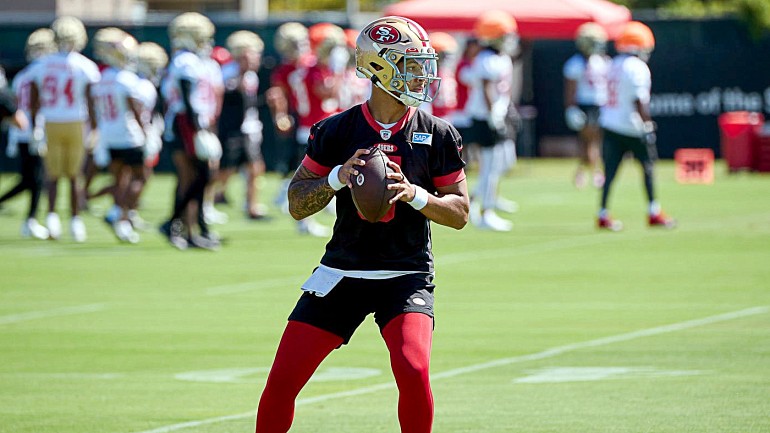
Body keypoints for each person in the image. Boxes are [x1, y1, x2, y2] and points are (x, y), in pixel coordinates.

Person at [254, 16, 469, 433]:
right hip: (342, 271)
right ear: (378, 67)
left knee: (413, 368)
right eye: (410, 64)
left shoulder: (438, 133)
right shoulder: (337, 129)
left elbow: (460, 213)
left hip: (405, 274)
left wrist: (413, 193)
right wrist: (337, 177)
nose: (421, 75)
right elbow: (297, 203)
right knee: (281, 381)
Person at [597, 21, 675, 231]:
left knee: (610, 172)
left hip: (610, 122)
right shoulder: (637, 67)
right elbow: (639, 100)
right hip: (631, 125)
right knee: (648, 168)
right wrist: (647, 125)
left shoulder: (613, 64)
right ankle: (653, 210)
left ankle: (602, 213)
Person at [29, 16, 100, 242]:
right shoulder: (85, 65)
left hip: (51, 121)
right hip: (75, 122)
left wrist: (35, 126)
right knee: (73, 176)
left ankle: (53, 219)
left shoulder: (43, 64)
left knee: (53, 176)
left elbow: (34, 100)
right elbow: (91, 102)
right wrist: (95, 129)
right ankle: (74, 221)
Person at [159, 12, 222, 250]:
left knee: (199, 177)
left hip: (194, 122)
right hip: (186, 122)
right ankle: (182, 226)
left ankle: (184, 226)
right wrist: (198, 129)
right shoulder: (185, 61)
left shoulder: (196, 60)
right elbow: (187, 98)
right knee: (194, 176)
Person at [90, 28, 147, 243]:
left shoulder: (102, 77)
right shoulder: (126, 79)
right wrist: (145, 132)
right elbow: (135, 109)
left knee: (119, 179)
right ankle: (121, 215)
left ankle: (117, 212)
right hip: (128, 135)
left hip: (109, 134)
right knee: (141, 177)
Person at [464, 11, 519, 232]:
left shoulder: (501, 58)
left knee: (502, 162)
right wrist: (493, 114)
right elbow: (487, 88)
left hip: (497, 113)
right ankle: (485, 211)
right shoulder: (486, 59)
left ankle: (477, 198)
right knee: (489, 165)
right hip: (485, 117)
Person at [0, 28, 56, 239]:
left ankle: (31, 220)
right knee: (36, 178)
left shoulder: (23, 74)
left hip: (22, 129)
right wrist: (38, 128)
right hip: (33, 127)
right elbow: (35, 102)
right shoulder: (43, 71)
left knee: (31, 179)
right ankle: (31, 220)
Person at [215, 31, 268, 220]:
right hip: (231, 129)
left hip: (249, 128)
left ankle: (252, 206)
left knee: (256, 166)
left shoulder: (252, 75)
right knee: (225, 169)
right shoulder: (228, 72)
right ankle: (211, 197)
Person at [563, 22, 610, 189]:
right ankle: (596, 172)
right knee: (588, 141)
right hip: (585, 105)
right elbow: (570, 89)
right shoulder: (574, 64)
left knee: (594, 141)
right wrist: (571, 108)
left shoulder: (602, 61)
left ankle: (583, 172)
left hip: (600, 104)